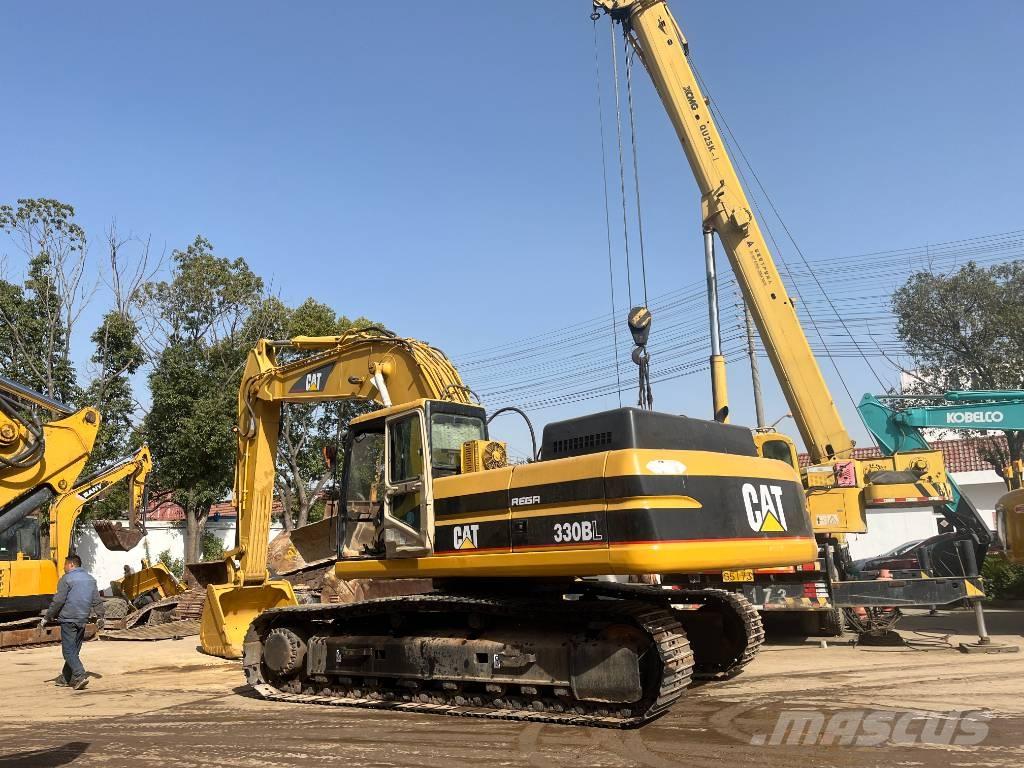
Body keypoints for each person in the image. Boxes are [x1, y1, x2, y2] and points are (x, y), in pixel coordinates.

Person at [40, 554, 104, 690]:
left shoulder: (66, 579)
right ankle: (65, 678)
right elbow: (97, 600)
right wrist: (100, 616)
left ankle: (80, 675)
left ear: (71, 565)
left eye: (64, 565)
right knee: (74, 650)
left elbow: (58, 601)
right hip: (82, 619)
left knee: (68, 652)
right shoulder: (90, 579)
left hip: (68, 619)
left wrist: (47, 617)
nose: (63, 568)